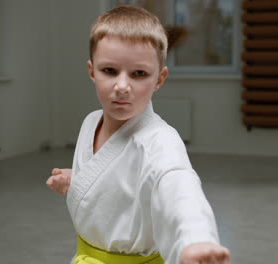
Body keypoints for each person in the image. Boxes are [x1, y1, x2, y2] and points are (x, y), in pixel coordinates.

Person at [46, 6, 230, 264]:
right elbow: (114, 180)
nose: (122, 86)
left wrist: (195, 240)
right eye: (109, 71)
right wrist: (76, 178)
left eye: (139, 74)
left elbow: (179, 188)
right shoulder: (90, 122)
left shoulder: (160, 140)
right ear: (91, 71)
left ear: (159, 79)